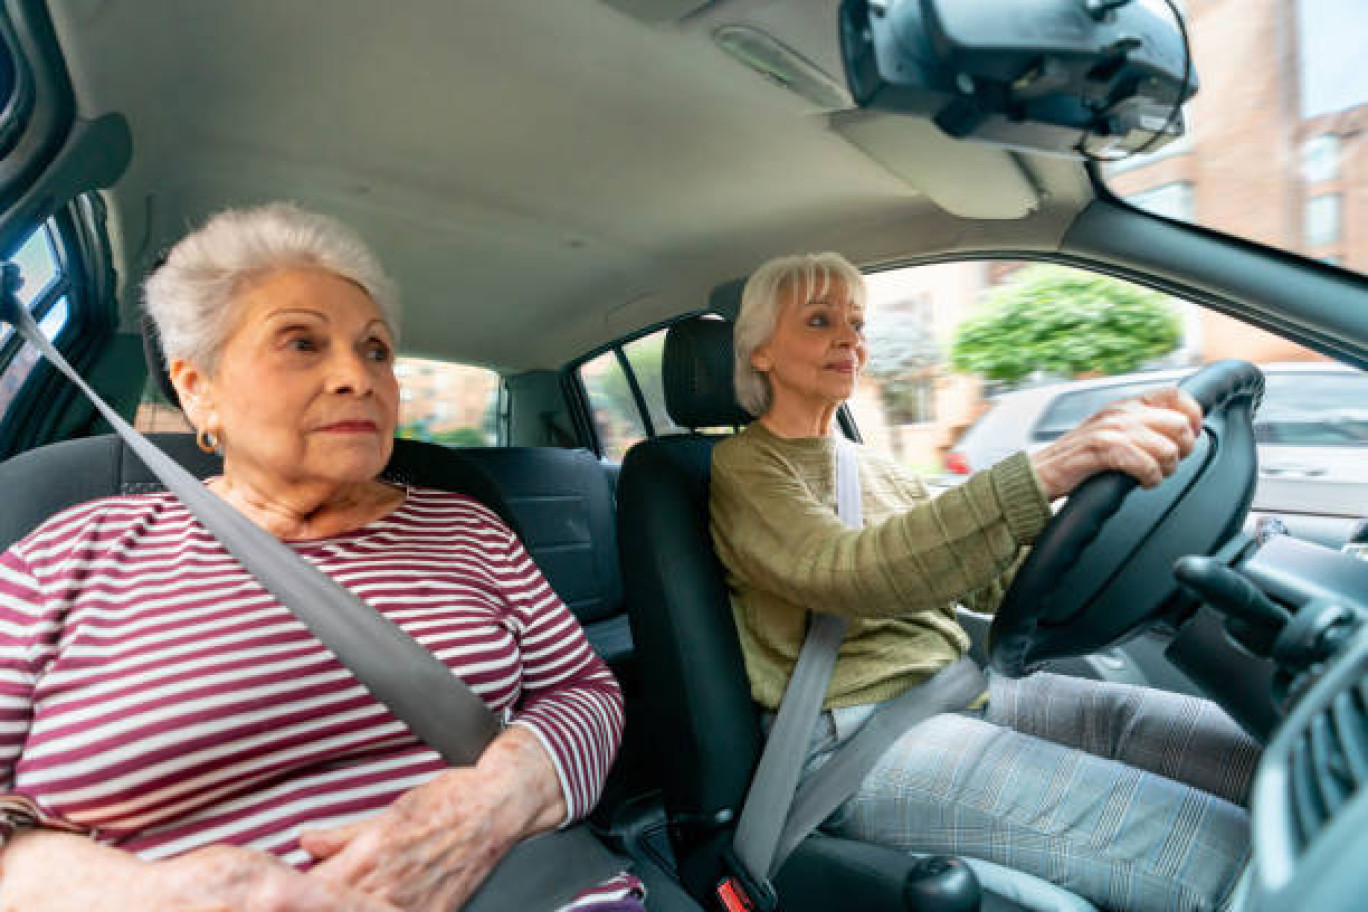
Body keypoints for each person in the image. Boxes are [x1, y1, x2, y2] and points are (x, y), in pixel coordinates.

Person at [0, 204, 641, 912]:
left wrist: (490, 806)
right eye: (301, 342)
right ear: (196, 386)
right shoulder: (62, 557)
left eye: (375, 350)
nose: (357, 377)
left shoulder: (467, 528)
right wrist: (131, 893)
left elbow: (584, 690)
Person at [709, 252, 1261, 912]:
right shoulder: (745, 468)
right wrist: (1046, 468)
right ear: (760, 352)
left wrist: (1099, 530)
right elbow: (849, 572)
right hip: (857, 740)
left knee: (1267, 764)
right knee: (1225, 852)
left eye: (857, 323)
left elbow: (982, 581)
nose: (851, 339)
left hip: (960, 690)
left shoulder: (872, 466)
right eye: (820, 320)